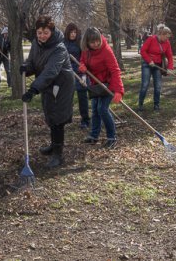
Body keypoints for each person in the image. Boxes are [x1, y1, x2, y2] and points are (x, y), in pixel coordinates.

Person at [20, 15, 74, 168]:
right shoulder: (36, 44)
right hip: (47, 85)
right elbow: (32, 62)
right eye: (39, 32)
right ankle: (53, 145)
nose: (42, 36)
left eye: (45, 32)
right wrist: (26, 68)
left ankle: (58, 154)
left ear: (51, 31)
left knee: (58, 119)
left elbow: (50, 72)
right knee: (50, 114)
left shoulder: (59, 48)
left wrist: (33, 89)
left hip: (61, 85)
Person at [78, 27, 124, 149]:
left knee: (102, 109)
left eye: (97, 41)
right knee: (95, 110)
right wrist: (82, 66)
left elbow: (115, 70)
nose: (96, 44)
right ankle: (94, 136)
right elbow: (83, 60)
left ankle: (112, 137)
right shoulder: (86, 50)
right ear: (87, 42)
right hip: (95, 84)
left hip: (108, 84)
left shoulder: (106, 51)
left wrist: (119, 91)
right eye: (92, 42)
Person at [138, 24, 174, 111]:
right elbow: (143, 51)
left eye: (168, 37)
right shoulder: (151, 39)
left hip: (158, 66)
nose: (167, 39)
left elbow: (170, 56)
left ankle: (156, 105)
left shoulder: (167, 43)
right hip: (147, 64)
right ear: (161, 34)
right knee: (145, 85)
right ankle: (140, 105)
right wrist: (149, 60)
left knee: (158, 86)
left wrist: (170, 68)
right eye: (166, 37)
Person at [63, 23, 90, 129]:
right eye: (71, 32)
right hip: (67, 73)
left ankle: (85, 120)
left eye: (75, 32)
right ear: (67, 33)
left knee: (82, 97)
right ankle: (66, 118)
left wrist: (83, 74)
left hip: (79, 73)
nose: (73, 34)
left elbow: (85, 59)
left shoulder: (80, 43)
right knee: (66, 97)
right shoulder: (63, 43)